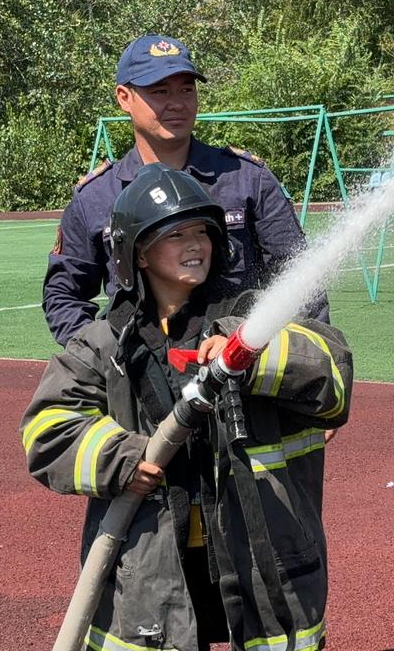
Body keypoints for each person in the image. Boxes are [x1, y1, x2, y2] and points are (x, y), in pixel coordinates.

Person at [22, 165, 351, 651]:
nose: (195, 244)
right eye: (176, 234)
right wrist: (121, 459)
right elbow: (47, 430)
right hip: (154, 564)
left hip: (258, 556)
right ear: (138, 253)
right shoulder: (105, 345)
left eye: (202, 232)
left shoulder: (259, 320)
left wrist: (252, 357)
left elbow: (334, 371)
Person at [42, 33, 328, 348]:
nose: (177, 103)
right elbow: (64, 294)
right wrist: (101, 358)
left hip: (235, 373)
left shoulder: (247, 179)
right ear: (124, 97)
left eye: (187, 90)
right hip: (141, 383)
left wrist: (295, 364)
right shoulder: (95, 196)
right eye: (160, 91)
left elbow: (301, 282)